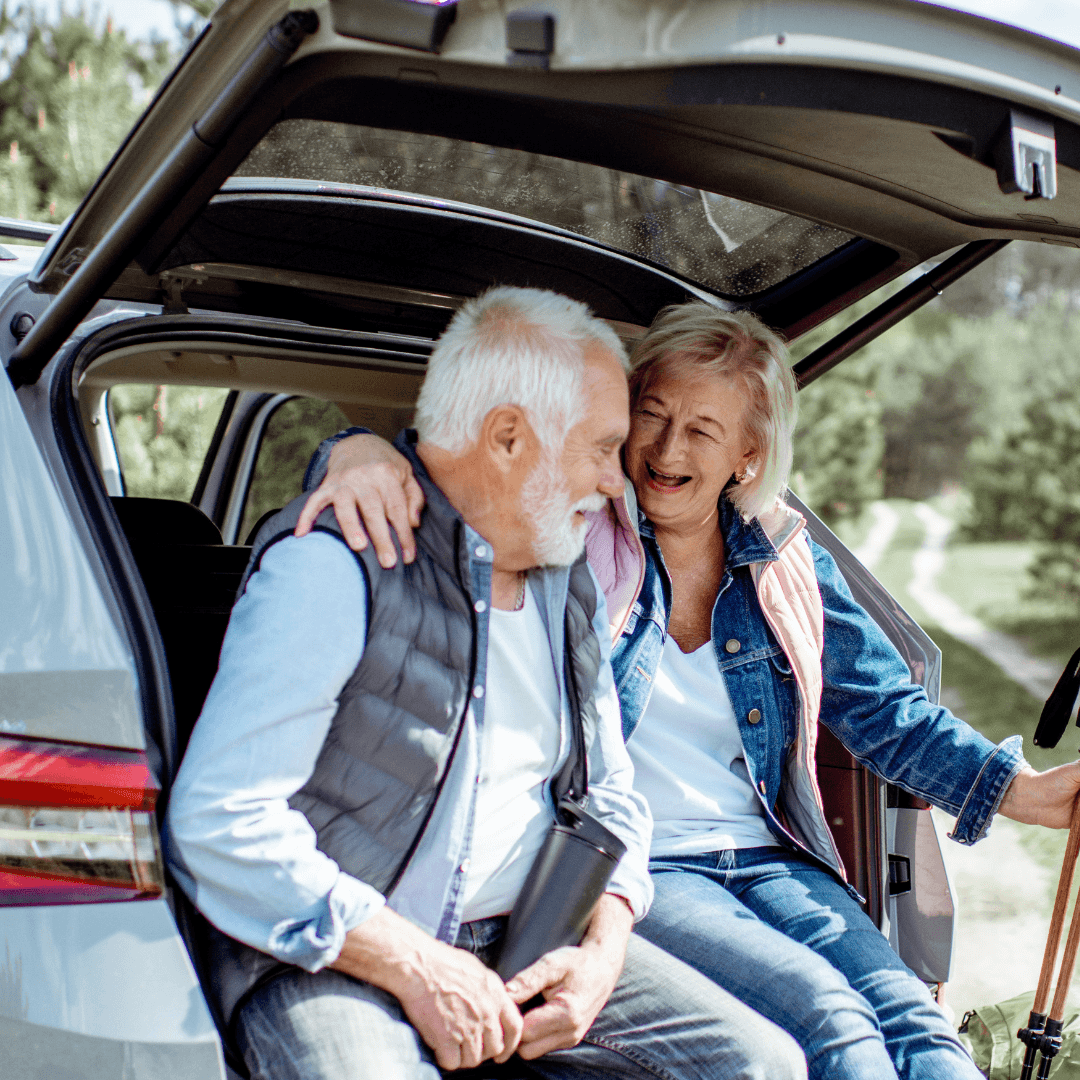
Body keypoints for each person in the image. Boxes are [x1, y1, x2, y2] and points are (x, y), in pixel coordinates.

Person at [300, 299, 1080, 1080]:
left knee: (915, 1023)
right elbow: (456, 485)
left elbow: (884, 708)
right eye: (653, 415)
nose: (667, 448)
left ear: (748, 452)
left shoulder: (782, 557)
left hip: (773, 858)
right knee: (833, 1022)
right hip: (640, 871)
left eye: (703, 430)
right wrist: (353, 447)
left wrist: (1024, 792)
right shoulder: (573, 527)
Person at [165, 287, 807, 1080]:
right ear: (508, 437)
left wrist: (603, 949)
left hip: (528, 944)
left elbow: (609, 795)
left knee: (762, 1065)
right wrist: (418, 966)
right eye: (601, 447)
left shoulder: (563, 577)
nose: (618, 482)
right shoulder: (336, 567)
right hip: (339, 955)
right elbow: (219, 821)